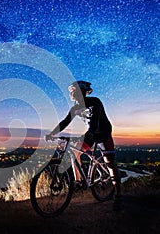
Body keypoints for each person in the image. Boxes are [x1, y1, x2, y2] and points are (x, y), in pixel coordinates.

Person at [46, 80, 123, 211]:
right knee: (75, 152)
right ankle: (79, 181)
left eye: (75, 91)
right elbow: (65, 122)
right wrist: (52, 133)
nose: (73, 94)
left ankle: (118, 196)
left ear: (83, 92)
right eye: (72, 92)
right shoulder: (75, 108)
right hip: (90, 133)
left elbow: (95, 124)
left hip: (103, 134)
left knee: (110, 164)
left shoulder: (95, 102)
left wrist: (85, 136)